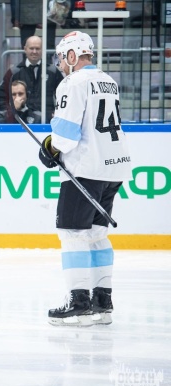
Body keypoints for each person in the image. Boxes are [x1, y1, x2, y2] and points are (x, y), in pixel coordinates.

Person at [39, 31, 132, 327]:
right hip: (114, 168)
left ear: (72, 55)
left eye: (62, 57)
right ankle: (102, 303)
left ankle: (78, 303)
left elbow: (65, 137)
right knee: (96, 235)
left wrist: (50, 148)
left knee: (72, 234)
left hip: (86, 169)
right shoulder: (109, 81)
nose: (60, 63)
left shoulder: (73, 83)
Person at [0, 36, 63, 123]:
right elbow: (1, 96)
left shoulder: (52, 71)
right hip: (21, 123)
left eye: (37, 48)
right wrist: (11, 111)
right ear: (25, 49)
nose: (34, 51)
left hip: (47, 122)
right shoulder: (14, 72)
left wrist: (58, 112)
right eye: (31, 48)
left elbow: (64, 95)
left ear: (42, 50)